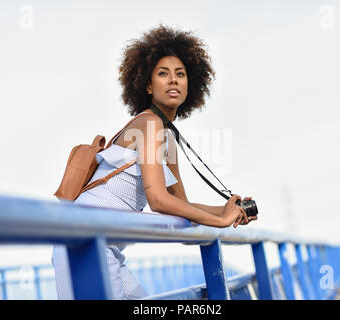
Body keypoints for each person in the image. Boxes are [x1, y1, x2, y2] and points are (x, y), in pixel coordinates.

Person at [51, 24, 256, 300]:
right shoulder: (149, 124)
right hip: (83, 242)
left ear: (189, 85)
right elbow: (159, 200)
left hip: (105, 245)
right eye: (163, 74)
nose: (173, 80)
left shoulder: (166, 137)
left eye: (180, 75)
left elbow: (179, 206)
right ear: (148, 85)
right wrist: (219, 223)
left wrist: (226, 210)